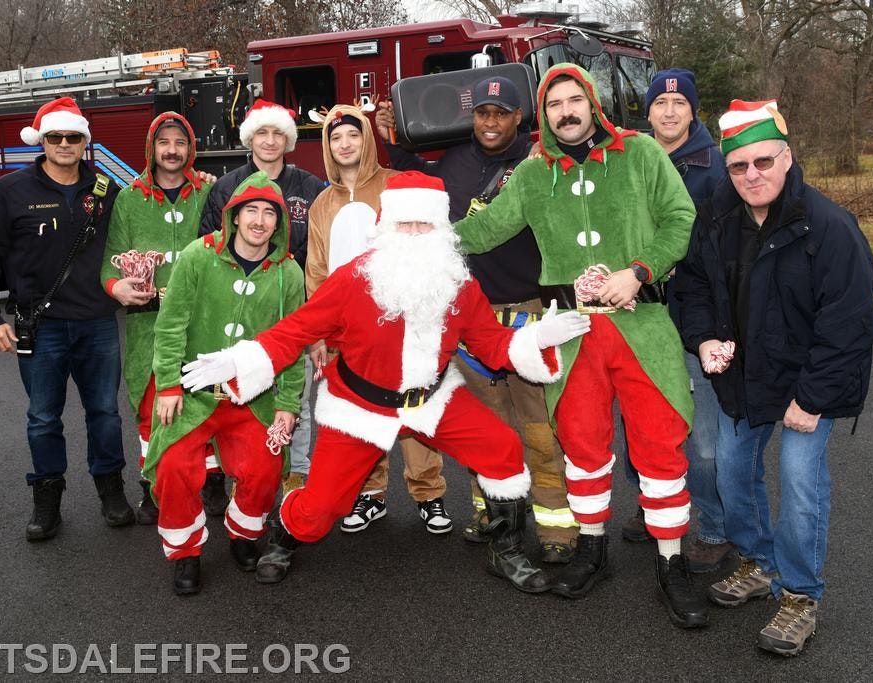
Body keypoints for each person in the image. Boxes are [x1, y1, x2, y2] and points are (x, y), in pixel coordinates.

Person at [180, 171, 590, 593]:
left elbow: (490, 343)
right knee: (321, 509)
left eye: (424, 224)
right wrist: (238, 360)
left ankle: (505, 550)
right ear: (386, 226)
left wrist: (538, 337)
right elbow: (296, 330)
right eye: (404, 224)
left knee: (502, 448)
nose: (414, 233)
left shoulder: (458, 284)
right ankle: (286, 532)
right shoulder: (353, 278)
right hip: (360, 406)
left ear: (440, 229)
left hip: (431, 401)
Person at [454, 64, 708, 628]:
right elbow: (485, 229)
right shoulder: (531, 173)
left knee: (659, 446)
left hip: (642, 327)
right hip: (571, 332)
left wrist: (640, 270)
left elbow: (680, 218)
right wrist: (415, 226)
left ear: (593, 103)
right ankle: (591, 548)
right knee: (581, 443)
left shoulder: (641, 153)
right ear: (542, 116)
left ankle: (672, 564)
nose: (566, 112)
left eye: (575, 100)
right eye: (554, 105)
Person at [675, 99, 873, 655]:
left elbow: (853, 325)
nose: (752, 175)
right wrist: (704, 339)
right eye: (739, 165)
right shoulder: (717, 218)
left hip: (811, 384)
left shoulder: (831, 226)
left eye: (764, 162)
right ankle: (759, 562)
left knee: (799, 482)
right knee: (731, 473)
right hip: (746, 377)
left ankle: (800, 595)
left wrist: (811, 401)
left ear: (787, 158)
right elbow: (691, 287)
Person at [375, 77, 578, 562]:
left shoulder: (539, 160)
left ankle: (555, 529)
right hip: (472, 317)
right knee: (489, 428)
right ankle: (494, 513)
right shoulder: (454, 161)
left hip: (530, 310)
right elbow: (410, 173)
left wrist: (545, 153)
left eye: (502, 113)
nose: (491, 122)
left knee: (539, 429)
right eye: (483, 113)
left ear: (519, 118)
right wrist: (386, 135)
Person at [0, 97, 134, 541]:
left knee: (105, 413)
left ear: (84, 142)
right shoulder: (9, 191)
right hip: (39, 328)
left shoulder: (105, 190)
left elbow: (141, 227)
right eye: (55, 137)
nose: (64, 143)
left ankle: (111, 490)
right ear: (42, 141)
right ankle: (47, 497)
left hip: (98, 323)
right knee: (43, 417)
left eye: (73, 137)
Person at [145, 171, 305, 595]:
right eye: (250, 210)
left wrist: (288, 406)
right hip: (195, 396)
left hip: (253, 400)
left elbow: (293, 345)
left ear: (279, 223)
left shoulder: (289, 274)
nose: (259, 220)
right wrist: (167, 386)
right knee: (174, 466)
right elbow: (171, 324)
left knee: (266, 467)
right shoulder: (198, 256)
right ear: (233, 215)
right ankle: (185, 553)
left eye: (269, 213)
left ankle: (243, 533)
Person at [306, 104, 450, 534]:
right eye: (335, 138)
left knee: (415, 410)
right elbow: (316, 271)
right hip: (349, 332)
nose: (344, 144)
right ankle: (370, 494)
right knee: (362, 411)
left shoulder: (391, 186)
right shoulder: (321, 204)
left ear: (365, 139)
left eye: (352, 134)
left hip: (405, 323)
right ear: (328, 147)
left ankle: (430, 493)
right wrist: (320, 333)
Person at [618, 68, 732, 573]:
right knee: (644, 421)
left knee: (704, 438)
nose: (669, 112)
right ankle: (655, 503)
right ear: (648, 112)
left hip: (697, 310)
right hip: (640, 311)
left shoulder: (716, 168)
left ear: (692, 110)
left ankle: (714, 524)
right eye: (660, 105)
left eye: (679, 104)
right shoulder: (629, 160)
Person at [198, 99, 326, 510]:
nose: (269, 141)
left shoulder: (310, 187)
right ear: (249, 138)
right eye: (261, 133)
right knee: (239, 400)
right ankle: (243, 483)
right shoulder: (224, 187)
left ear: (288, 140)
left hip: (295, 315)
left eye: (277, 133)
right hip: (238, 316)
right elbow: (206, 249)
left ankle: (296, 481)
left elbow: (324, 251)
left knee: (295, 400)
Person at [100, 112, 212, 524]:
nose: (172, 150)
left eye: (179, 143)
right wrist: (118, 289)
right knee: (151, 408)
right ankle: (153, 483)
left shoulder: (208, 193)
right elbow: (108, 267)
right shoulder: (129, 200)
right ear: (152, 148)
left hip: (204, 323)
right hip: (148, 324)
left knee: (209, 399)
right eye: (164, 142)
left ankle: (212, 478)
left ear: (190, 148)